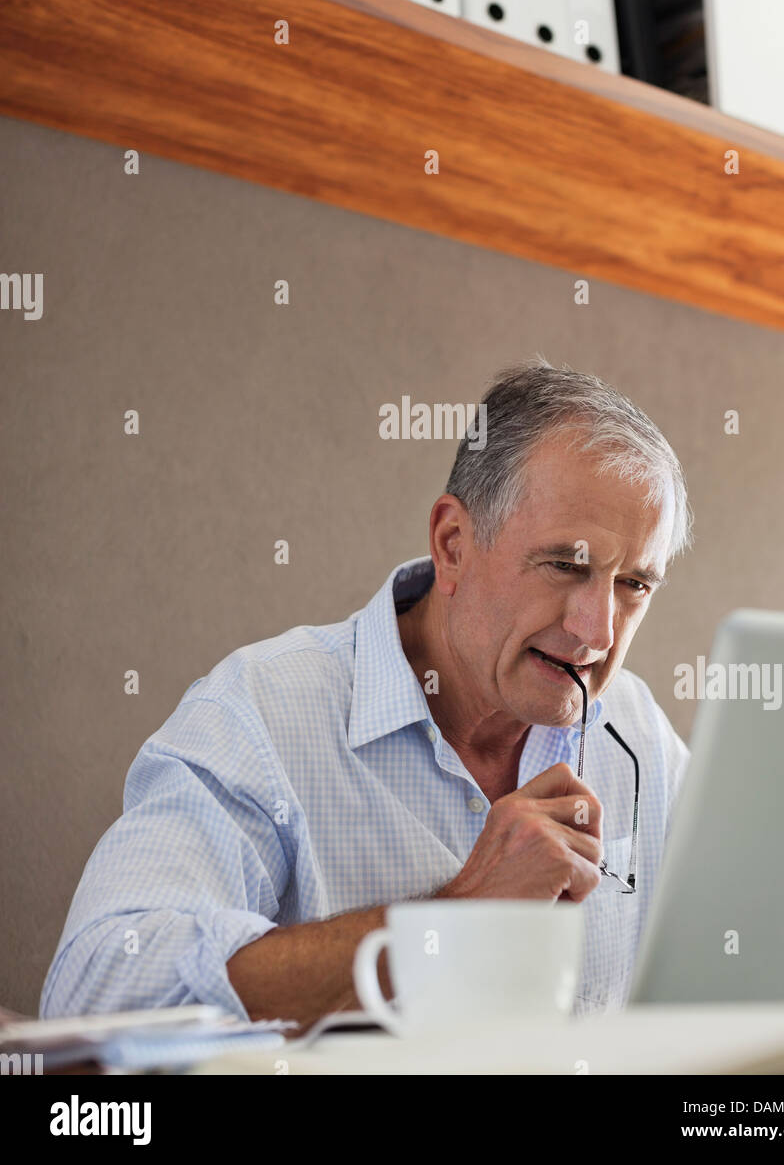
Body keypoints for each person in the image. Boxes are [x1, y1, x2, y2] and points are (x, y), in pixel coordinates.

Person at [41, 359, 692, 1027]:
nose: (597, 630)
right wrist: (456, 920)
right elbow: (99, 990)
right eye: (566, 565)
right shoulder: (260, 711)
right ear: (453, 545)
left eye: (634, 584)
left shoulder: (639, 736)